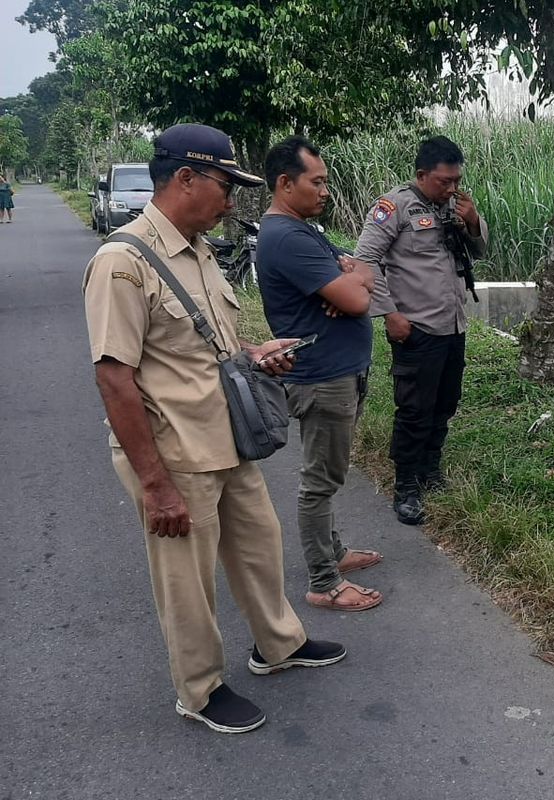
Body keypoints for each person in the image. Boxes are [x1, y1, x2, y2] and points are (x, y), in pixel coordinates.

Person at [82, 123, 345, 735]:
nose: (232, 199)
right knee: (187, 581)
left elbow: (203, 348)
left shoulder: (199, 248)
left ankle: (279, 644)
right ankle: (198, 690)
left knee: (258, 543)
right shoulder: (122, 263)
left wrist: (255, 353)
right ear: (186, 179)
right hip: (174, 454)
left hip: (226, 435)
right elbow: (114, 378)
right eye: (226, 184)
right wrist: (156, 485)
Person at [256, 136, 384, 612]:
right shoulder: (287, 237)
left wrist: (353, 277)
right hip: (322, 378)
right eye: (317, 182)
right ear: (285, 184)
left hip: (338, 372)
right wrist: (350, 285)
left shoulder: (301, 230)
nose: (325, 191)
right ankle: (324, 580)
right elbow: (358, 296)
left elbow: (362, 272)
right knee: (319, 481)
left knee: (329, 473)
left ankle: (333, 551)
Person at [355, 135, 488, 525]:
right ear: (421, 174)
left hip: (452, 324)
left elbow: (478, 252)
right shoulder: (393, 206)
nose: (451, 188)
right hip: (416, 327)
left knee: (445, 403)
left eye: (456, 180)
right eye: (444, 181)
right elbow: (365, 260)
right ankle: (406, 485)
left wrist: (473, 220)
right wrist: (389, 313)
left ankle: (430, 471)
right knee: (414, 409)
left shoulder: (454, 206)